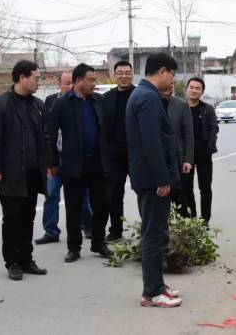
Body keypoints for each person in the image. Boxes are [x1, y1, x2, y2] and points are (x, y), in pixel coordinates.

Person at [0, 60, 50, 281]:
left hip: (32, 172)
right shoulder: (0, 104)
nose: (38, 82)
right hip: (10, 173)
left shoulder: (37, 105)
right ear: (22, 78)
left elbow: (45, 138)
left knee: (28, 217)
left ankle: (26, 258)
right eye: (36, 78)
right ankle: (12, 262)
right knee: (12, 218)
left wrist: (48, 164)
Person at [126, 52, 182, 308]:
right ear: (162, 71)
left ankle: (157, 284)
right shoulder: (148, 97)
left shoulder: (142, 94)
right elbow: (152, 143)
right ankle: (152, 292)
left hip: (147, 177)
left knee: (156, 231)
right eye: (171, 74)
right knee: (154, 234)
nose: (172, 80)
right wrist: (163, 178)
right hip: (152, 179)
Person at [49, 63, 113, 263]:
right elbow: (49, 134)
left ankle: (98, 242)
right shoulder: (62, 103)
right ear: (78, 81)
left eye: (95, 80)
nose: (95, 83)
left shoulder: (99, 101)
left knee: (102, 204)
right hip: (72, 165)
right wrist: (52, 162)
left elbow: (107, 131)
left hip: (97, 163)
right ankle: (74, 247)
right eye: (91, 80)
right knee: (73, 208)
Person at [35, 72, 93, 245]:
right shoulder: (51, 102)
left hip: (74, 159)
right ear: (59, 84)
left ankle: (87, 225)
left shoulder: (80, 101)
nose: (69, 87)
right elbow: (47, 132)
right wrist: (48, 160)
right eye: (66, 83)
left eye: (71, 83)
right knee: (51, 194)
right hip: (55, 158)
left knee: (80, 195)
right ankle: (51, 231)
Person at [103, 60, 136, 242]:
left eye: (127, 72)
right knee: (114, 194)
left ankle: (147, 228)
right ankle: (116, 230)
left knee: (143, 191)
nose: (124, 76)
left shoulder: (140, 95)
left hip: (136, 154)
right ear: (114, 75)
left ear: (132, 74)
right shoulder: (107, 98)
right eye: (120, 73)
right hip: (114, 155)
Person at [182, 77, 219, 225]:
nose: (194, 90)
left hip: (203, 154)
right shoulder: (180, 107)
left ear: (202, 91)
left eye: (198, 88)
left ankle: (205, 220)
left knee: (205, 188)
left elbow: (213, 128)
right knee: (186, 188)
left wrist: (209, 147)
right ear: (186, 89)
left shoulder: (207, 109)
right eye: (191, 87)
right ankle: (191, 218)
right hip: (185, 155)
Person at [162, 83, 194, 217]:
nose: (168, 90)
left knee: (180, 197)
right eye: (165, 86)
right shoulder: (151, 103)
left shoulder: (181, 105)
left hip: (178, 160)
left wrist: (188, 160)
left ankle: (185, 229)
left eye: (171, 87)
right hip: (159, 159)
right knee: (161, 199)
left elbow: (188, 135)